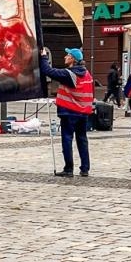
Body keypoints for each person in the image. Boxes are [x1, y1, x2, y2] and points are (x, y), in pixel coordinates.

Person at [42, 46, 94, 177]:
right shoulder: (87, 74)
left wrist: (43, 57)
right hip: (83, 112)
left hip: (70, 112)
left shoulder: (69, 74)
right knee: (82, 139)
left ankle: (68, 169)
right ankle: (85, 168)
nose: (65, 57)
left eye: (67, 55)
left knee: (67, 139)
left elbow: (48, 71)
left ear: (72, 59)